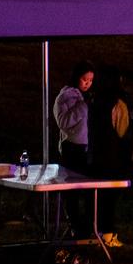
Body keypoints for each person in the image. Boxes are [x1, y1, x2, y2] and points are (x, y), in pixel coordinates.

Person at [53, 61, 97, 238]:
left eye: (91, 80)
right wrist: (83, 106)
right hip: (72, 149)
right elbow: (64, 122)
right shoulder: (66, 97)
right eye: (84, 79)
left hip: (85, 148)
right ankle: (75, 224)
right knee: (71, 190)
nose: (88, 83)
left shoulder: (83, 97)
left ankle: (85, 225)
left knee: (87, 189)